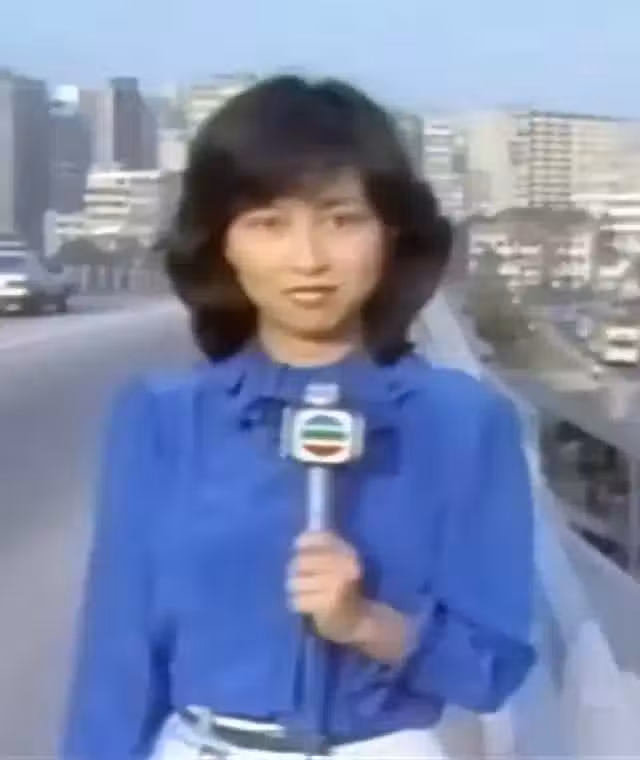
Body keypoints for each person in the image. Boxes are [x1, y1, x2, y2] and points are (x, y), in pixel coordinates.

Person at [61, 76, 536, 760]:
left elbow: (493, 669)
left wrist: (367, 623)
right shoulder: (162, 418)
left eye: (342, 219)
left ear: (391, 232)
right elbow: (117, 659)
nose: (308, 259)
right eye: (268, 223)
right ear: (222, 241)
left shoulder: (465, 423)